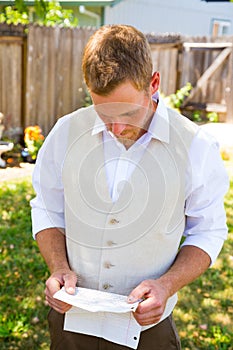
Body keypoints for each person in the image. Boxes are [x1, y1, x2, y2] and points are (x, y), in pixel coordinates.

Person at [30, 25, 229, 350]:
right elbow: (47, 209)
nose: (117, 127)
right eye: (103, 112)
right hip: (70, 326)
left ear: (153, 83)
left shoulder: (196, 146)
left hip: (149, 332)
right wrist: (59, 268)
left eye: (126, 112)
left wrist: (167, 285)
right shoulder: (65, 133)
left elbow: (208, 231)